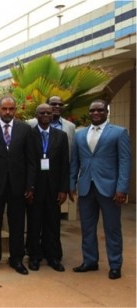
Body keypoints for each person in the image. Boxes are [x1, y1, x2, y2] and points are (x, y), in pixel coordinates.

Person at [69, 99, 131, 280]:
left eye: (100, 110)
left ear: (106, 112)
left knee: (112, 228)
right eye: (92, 110)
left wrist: (122, 188)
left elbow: (125, 162)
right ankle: (90, 261)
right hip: (86, 187)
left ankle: (115, 264)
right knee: (87, 227)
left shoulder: (119, 133)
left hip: (110, 189)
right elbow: (75, 162)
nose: (96, 113)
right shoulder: (80, 135)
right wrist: (72, 184)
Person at [0, 96, 35, 276]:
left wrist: (30, 185)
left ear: (15, 110)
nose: (8, 112)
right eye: (4, 109)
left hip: (18, 185)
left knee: (17, 223)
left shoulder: (25, 129)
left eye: (11, 109)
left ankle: (16, 258)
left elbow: (31, 160)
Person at [27, 103, 69, 272]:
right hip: (35, 187)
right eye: (42, 112)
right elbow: (27, 162)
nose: (45, 115)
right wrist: (28, 187)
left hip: (54, 188)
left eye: (48, 113)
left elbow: (65, 164)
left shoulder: (61, 136)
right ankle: (34, 256)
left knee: (53, 223)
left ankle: (53, 257)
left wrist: (63, 189)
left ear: (52, 115)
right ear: (36, 115)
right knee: (34, 223)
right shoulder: (29, 135)